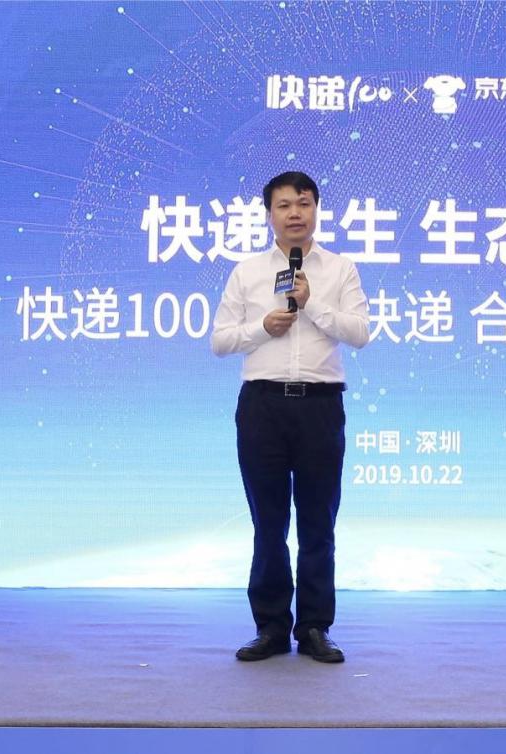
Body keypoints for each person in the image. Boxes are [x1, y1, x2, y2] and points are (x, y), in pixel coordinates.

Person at [210, 171, 370, 663]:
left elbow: (360, 333)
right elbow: (220, 341)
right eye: (284, 205)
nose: (295, 213)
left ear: (316, 209)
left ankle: (316, 627)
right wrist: (262, 327)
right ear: (269, 215)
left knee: (318, 524)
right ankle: (271, 628)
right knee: (269, 523)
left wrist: (312, 304)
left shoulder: (340, 269)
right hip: (263, 406)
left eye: (303, 203)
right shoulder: (247, 272)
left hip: (320, 406)